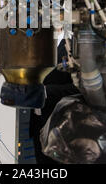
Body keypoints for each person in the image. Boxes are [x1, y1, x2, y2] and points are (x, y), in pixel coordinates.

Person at [29, 34, 80, 164]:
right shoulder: (37, 42)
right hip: (38, 122)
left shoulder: (75, 44)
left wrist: (47, 91)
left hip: (61, 126)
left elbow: (81, 87)